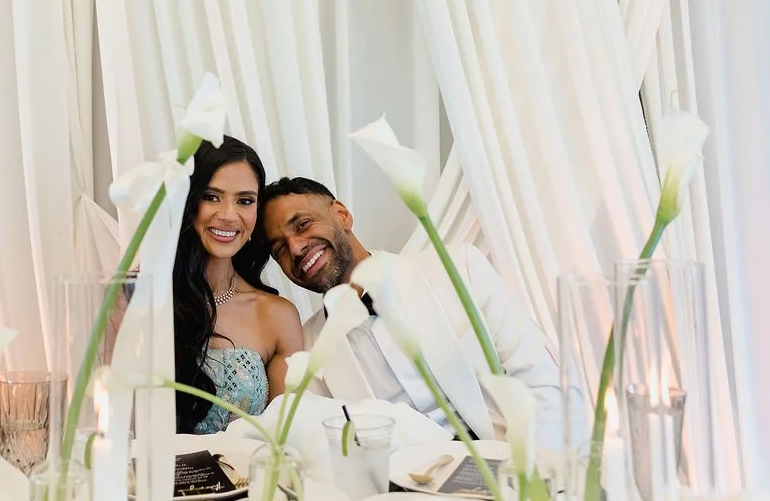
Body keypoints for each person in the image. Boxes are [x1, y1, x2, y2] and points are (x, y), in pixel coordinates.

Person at [261, 177, 564, 450]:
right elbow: (326, 445)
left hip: (510, 470)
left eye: (302, 225)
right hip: (403, 499)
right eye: (280, 250)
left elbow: (537, 377)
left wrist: (530, 485)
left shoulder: (460, 268)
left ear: (342, 214)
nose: (296, 248)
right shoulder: (310, 346)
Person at [173, 138, 304, 434]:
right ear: (188, 201)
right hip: (157, 477)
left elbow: (287, 437)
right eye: (212, 196)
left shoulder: (277, 316)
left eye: (245, 201)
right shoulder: (138, 298)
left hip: (249, 478)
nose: (229, 215)